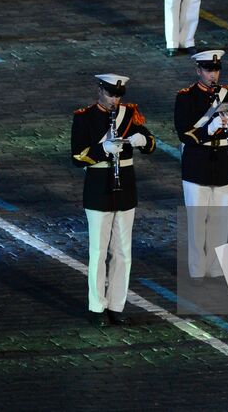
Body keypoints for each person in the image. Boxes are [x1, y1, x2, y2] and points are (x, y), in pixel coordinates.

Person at [71, 74, 156, 325]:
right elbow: (77, 157)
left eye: (118, 95)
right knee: (98, 251)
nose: (114, 100)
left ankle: (117, 305)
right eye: (110, 94)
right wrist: (102, 150)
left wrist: (143, 141)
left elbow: (151, 143)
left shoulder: (129, 114)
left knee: (123, 251)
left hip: (125, 186)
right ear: (100, 90)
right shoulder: (84, 117)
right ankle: (97, 306)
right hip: (98, 187)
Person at [175, 49, 228, 279]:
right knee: (197, 219)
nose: (213, 75)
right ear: (198, 71)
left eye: (216, 69)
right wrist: (208, 130)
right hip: (197, 161)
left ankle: (214, 268)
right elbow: (184, 133)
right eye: (208, 70)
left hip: (223, 158)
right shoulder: (186, 97)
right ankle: (196, 269)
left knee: (220, 218)